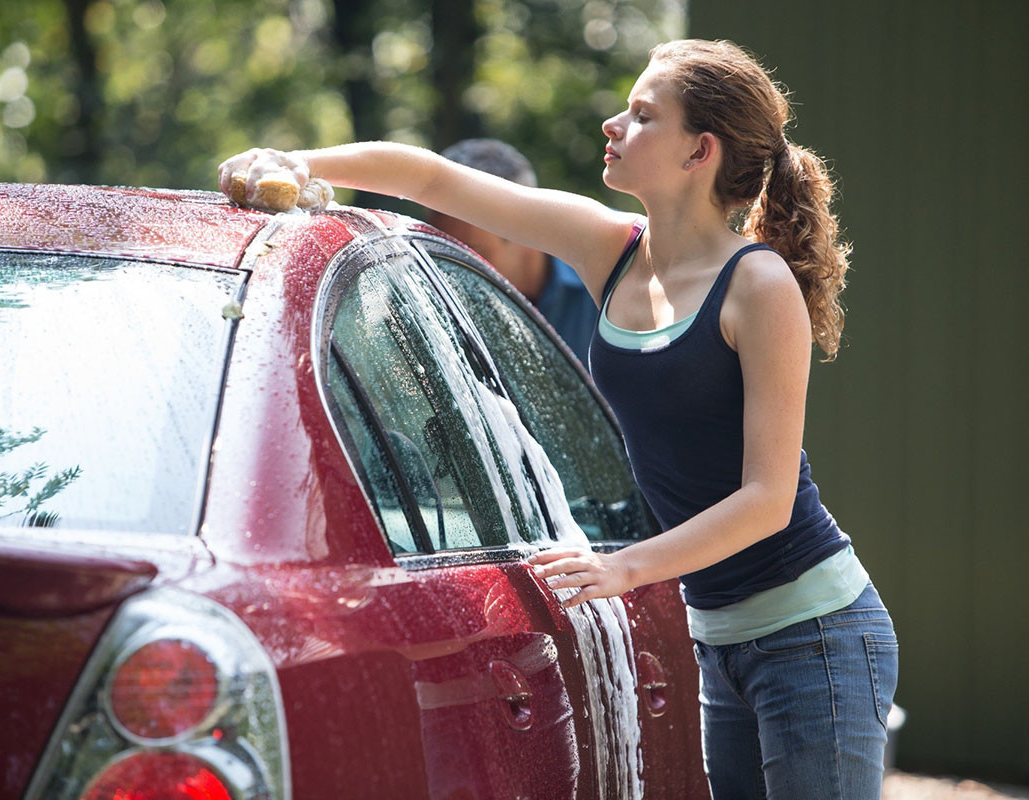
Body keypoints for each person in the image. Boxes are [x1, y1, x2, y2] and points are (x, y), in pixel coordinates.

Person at [217, 38, 898, 800]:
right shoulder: (612, 250)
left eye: (642, 115)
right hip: (720, 638)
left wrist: (624, 568)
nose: (613, 124)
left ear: (698, 151)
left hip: (812, 636)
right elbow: (430, 176)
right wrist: (288, 159)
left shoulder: (758, 284)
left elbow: (767, 501)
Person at [429, 139, 598, 361]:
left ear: (527, 231)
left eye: (470, 254)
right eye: (439, 253)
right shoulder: (435, 307)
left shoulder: (611, 273)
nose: (448, 275)